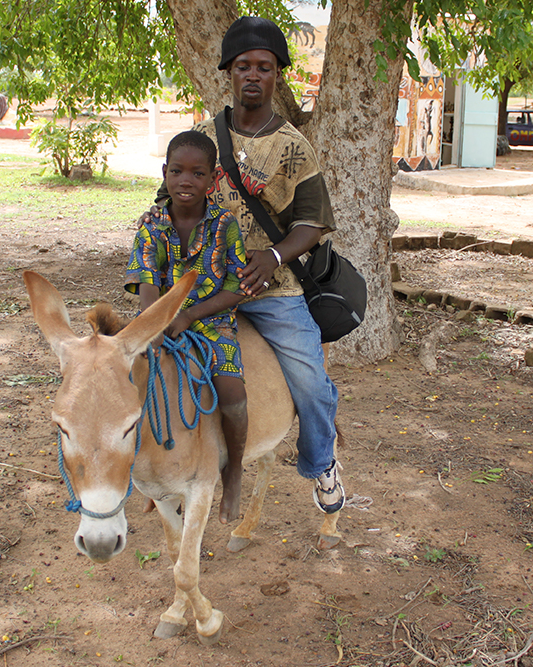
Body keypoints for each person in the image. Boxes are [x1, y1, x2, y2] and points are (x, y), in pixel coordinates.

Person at [143, 16, 345, 514]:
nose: (253, 75)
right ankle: (152, 469)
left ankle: (322, 463)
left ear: (278, 75)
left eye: (264, 67)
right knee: (141, 366)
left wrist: (274, 256)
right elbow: (169, 205)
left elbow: (313, 223)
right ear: (228, 74)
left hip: (272, 290)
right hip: (204, 287)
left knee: (312, 384)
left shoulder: (295, 147)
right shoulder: (204, 140)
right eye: (243, 67)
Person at [125, 130, 249, 524]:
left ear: (212, 180)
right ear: (164, 173)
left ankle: (234, 472)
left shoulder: (225, 225)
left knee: (231, 389)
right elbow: (147, 281)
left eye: (197, 174)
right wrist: (154, 325)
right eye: (177, 171)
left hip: (211, 321)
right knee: (131, 381)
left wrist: (190, 316)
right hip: (160, 318)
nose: (185, 181)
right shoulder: (151, 225)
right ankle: (153, 472)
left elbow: (236, 288)